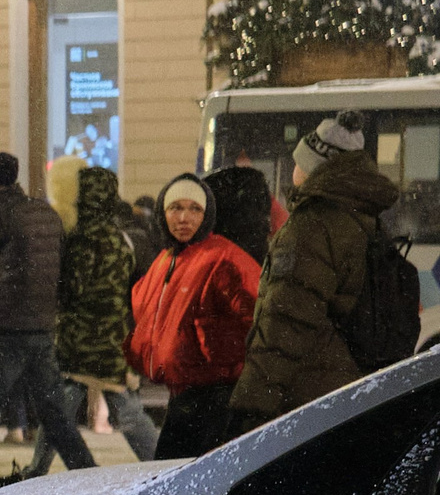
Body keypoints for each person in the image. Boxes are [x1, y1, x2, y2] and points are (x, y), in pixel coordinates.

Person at [231, 110, 402, 430]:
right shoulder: (360, 216)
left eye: (299, 160)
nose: (294, 168)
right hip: (344, 384)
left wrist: (251, 405)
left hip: (306, 393)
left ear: (316, 166)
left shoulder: (312, 225)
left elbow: (286, 321)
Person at [0, 152, 93, 495]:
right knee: (55, 416)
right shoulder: (45, 213)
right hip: (40, 328)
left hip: (4, 328)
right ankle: (91, 479)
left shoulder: (1, 214)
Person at [25, 163, 157, 474]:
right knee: (119, 408)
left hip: (80, 339)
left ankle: (35, 471)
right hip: (111, 338)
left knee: (61, 412)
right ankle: (160, 462)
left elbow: (72, 289)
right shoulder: (118, 238)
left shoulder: (80, 240)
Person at [128, 172, 261, 460]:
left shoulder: (224, 258)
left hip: (215, 397)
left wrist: (216, 348)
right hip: (182, 394)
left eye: (195, 209)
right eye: (176, 208)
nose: (184, 218)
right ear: (163, 213)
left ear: (207, 214)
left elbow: (256, 317)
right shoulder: (165, 260)